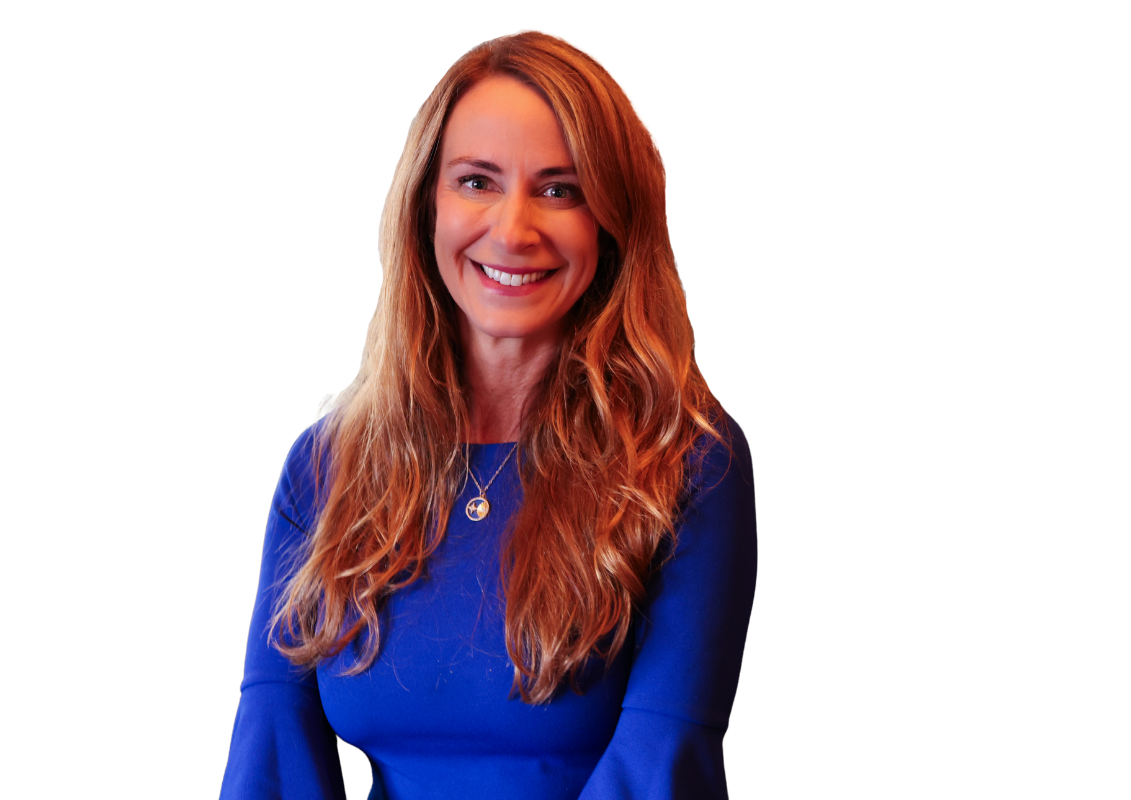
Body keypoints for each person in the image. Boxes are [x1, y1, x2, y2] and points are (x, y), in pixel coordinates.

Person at [220, 28, 757, 800]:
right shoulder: (323, 462)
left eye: (559, 189)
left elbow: (659, 768)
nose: (512, 230)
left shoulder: (688, 461)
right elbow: (270, 758)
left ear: (612, 222)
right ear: (424, 206)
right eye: (476, 181)